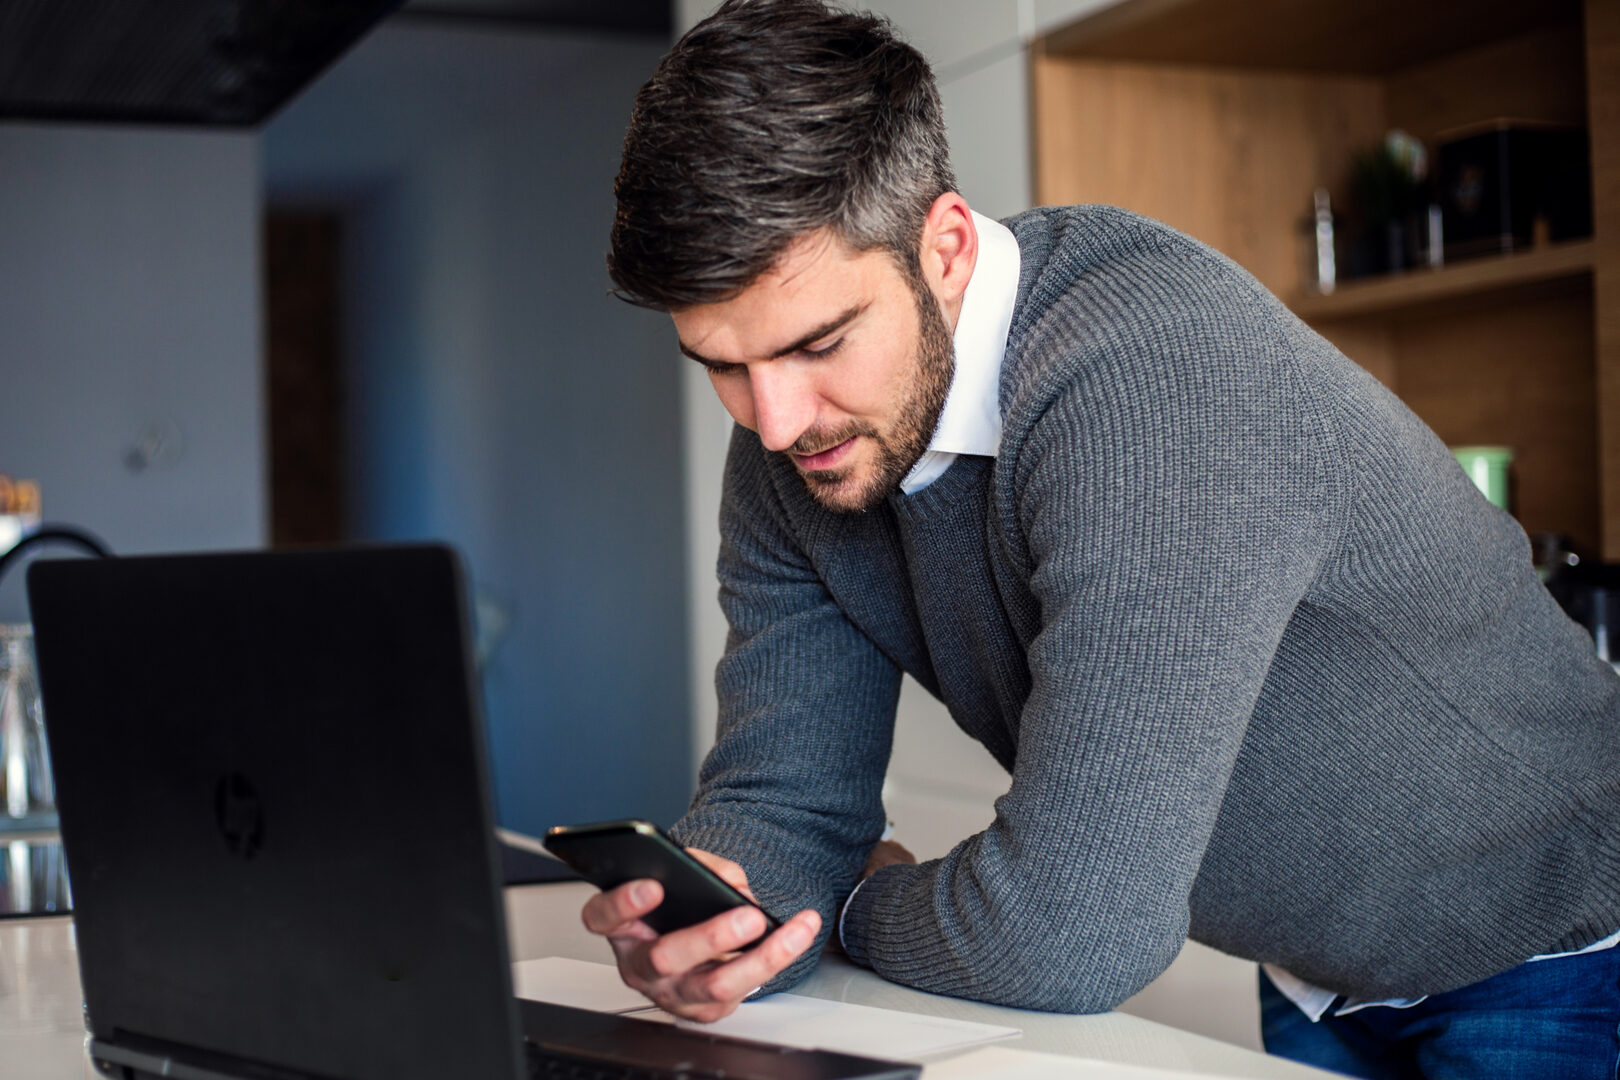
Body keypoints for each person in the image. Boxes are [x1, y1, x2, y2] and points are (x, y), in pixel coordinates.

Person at [579, 1, 1620, 1074]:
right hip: (1320, 984)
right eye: (722, 364)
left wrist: (846, 913)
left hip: (1563, 955)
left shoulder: (1153, 376)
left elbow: (1072, 932)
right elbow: (783, 808)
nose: (777, 419)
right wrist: (718, 930)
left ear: (942, 246)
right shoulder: (792, 457)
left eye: (820, 343)